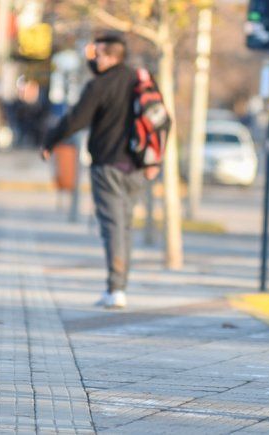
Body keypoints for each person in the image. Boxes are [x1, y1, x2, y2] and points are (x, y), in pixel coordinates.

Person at [42, 33, 159, 309]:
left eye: (96, 54)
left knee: (113, 228)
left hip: (108, 166)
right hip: (138, 167)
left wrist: (50, 141)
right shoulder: (142, 80)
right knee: (125, 226)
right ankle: (120, 286)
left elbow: (76, 119)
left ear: (108, 56)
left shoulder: (99, 85)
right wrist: (154, 160)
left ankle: (116, 289)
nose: (92, 59)